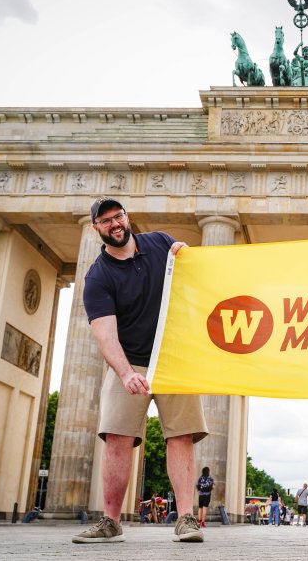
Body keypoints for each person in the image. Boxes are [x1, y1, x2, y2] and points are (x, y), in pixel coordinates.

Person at [71, 197, 209, 545]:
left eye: (118, 216)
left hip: (173, 355)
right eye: (106, 221)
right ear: (96, 229)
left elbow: (194, 276)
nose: (115, 224)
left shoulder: (159, 242)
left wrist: (186, 255)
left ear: (127, 217)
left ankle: (187, 518)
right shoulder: (98, 277)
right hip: (130, 359)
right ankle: (111, 521)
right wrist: (124, 373)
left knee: (181, 435)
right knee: (117, 436)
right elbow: (105, 335)